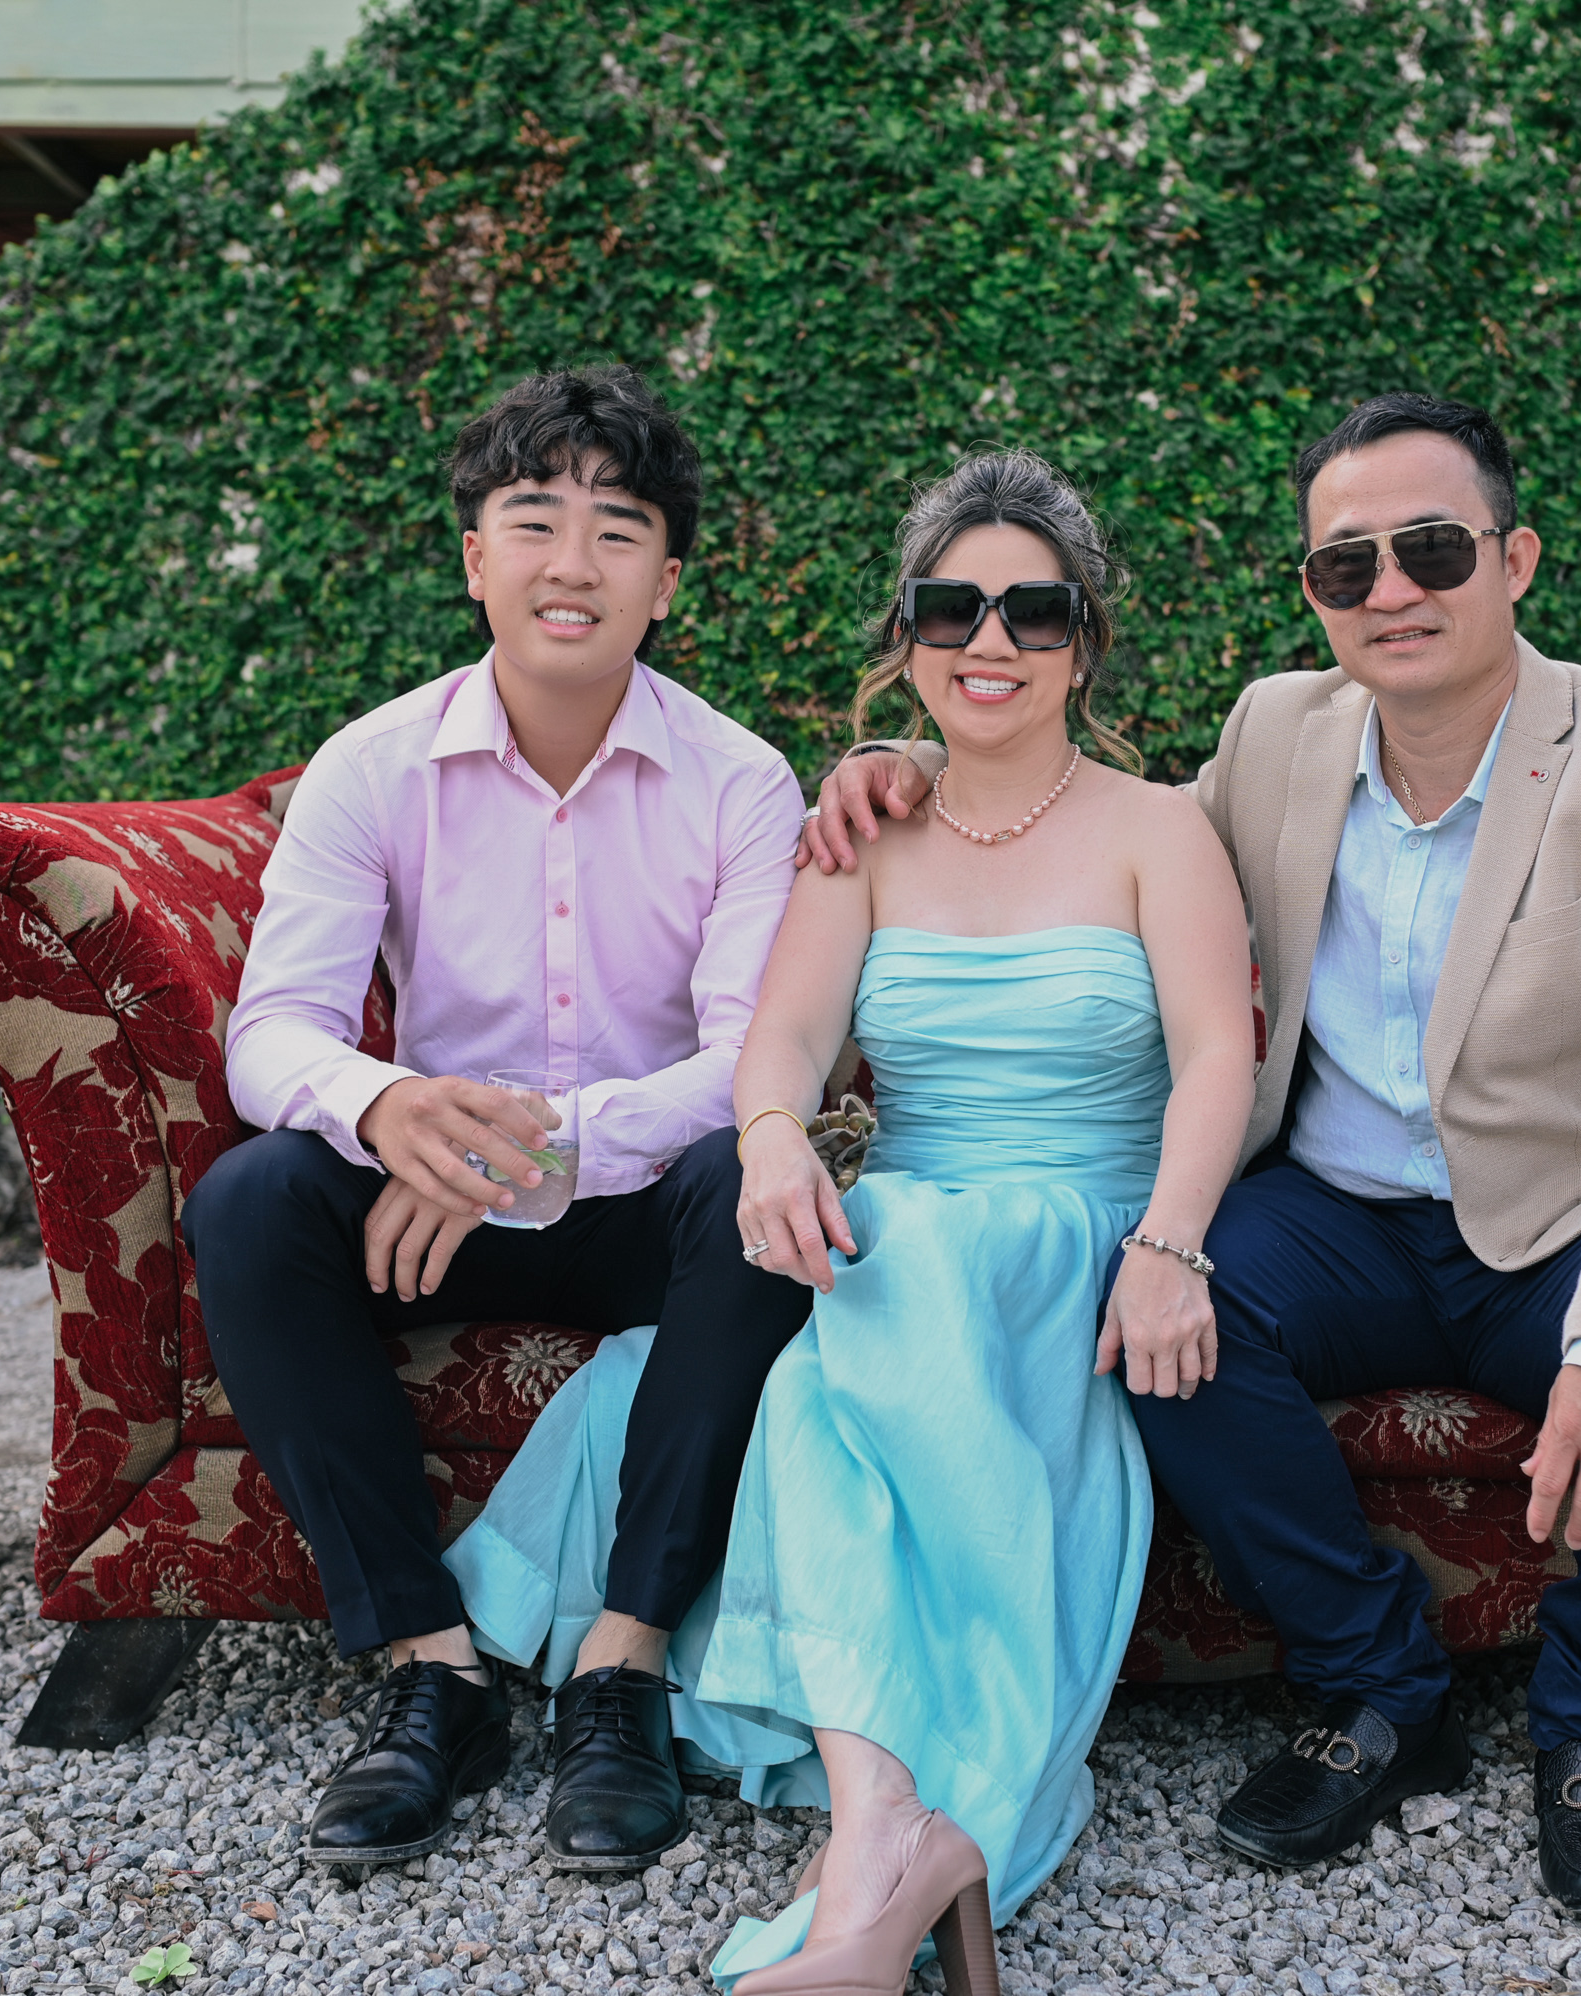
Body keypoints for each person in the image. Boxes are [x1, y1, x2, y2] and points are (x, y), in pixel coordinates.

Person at [805, 391, 1581, 1921]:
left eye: (1433, 549)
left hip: (1560, 1216)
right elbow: (1084, 835)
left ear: (1515, 559)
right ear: (1314, 591)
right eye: (1348, 564)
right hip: (1338, 1212)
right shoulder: (1278, 734)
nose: (1391, 590)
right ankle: (1380, 1686)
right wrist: (915, 762)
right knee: (1159, 1321)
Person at [448, 450, 1254, 1994]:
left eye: (1033, 611)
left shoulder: (1160, 830)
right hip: (906, 1233)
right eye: (953, 607)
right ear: (908, 632)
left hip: (1066, 1235)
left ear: (1085, 640)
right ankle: (885, 1839)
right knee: (832, 1317)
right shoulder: (864, 831)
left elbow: (1223, 1054)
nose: (990, 641)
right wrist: (768, 1142)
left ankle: (878, 1856)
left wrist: (1168, 1246)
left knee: (882, 1285)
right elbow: (786, 1042)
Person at [181, 365, 815, 1875]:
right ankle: (431, 1668)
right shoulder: (372, 766)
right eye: (534, 521)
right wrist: (392, 1105)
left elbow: (752, 1059)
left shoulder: (741, 783)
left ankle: (621, 1668)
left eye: (617, 529)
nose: (570, 562)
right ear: (476, 560)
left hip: (635, 1206)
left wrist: (518, 1147)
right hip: (434, 1213)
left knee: (754, 1189)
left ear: (667, 582)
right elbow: (274, 1034)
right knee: (253, 1203)